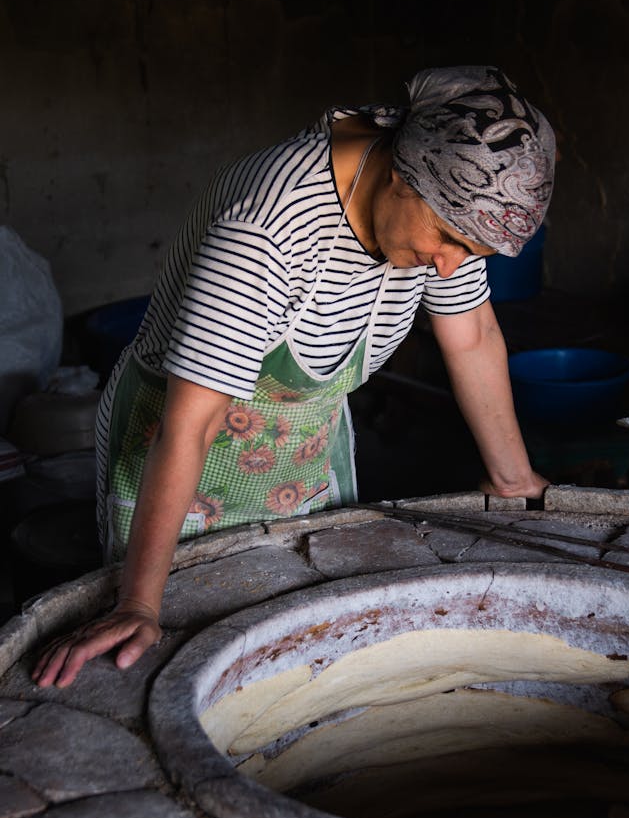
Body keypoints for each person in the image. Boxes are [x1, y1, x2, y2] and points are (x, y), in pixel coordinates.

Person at [33, 64, 555, 689]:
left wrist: (513, 480)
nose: (449, 270)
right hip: (182, 454)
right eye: (446, 241)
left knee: (312, 652)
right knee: (191, 665)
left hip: (307, 446)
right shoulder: (268, 229)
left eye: (470, 253)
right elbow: (191, 426)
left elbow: (470, 334)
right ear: (399, 176)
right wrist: (139, 603)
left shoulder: (454, 209)